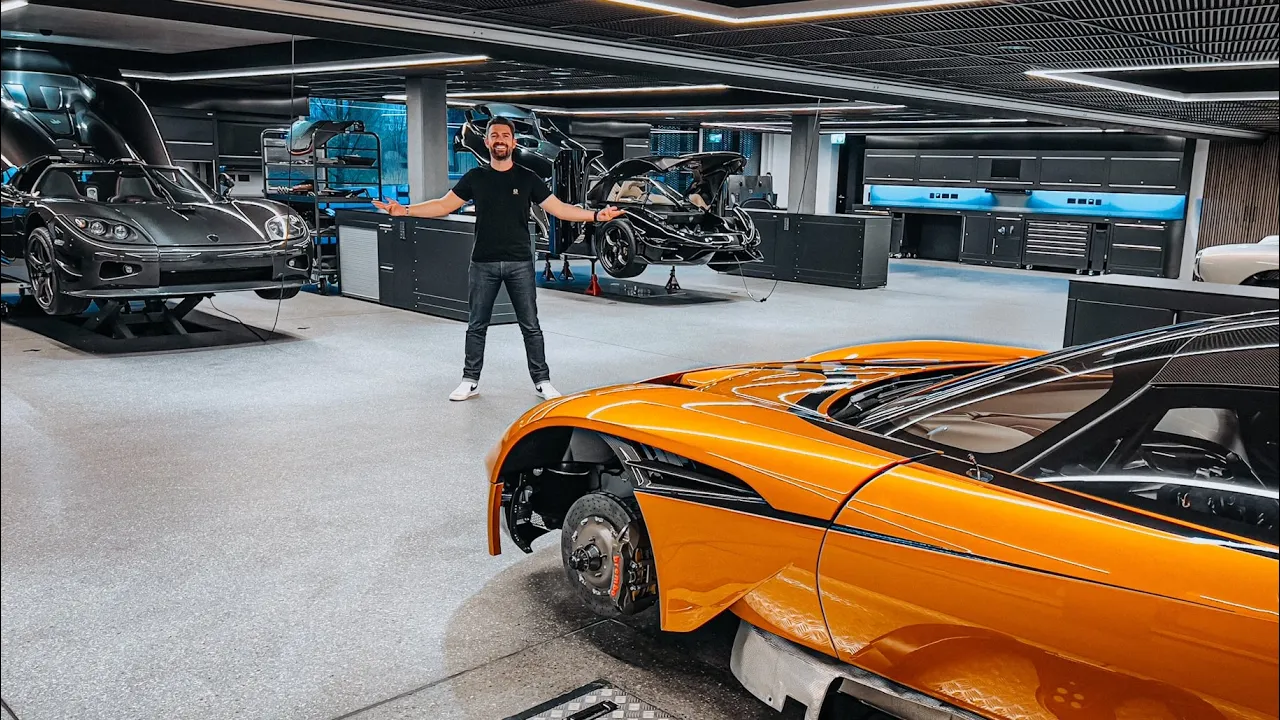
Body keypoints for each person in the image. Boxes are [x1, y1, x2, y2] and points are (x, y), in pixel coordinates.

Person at [373, 116, 623, 402]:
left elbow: (560, 209)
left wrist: (596, 215)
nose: (500, 140)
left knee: (530, 326)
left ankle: (542, 381)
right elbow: (443, 205)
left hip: (520, 264)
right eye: (494, 135)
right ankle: (470, 380)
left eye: (505, 135)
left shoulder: (527, 178)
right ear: (487, 141)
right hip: (483, 263)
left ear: (513, 142)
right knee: (476, 325)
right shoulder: (475, 178)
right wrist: (404, 211)